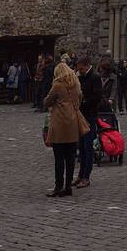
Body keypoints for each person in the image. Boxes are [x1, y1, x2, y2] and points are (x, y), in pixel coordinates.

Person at [43, 62, 82, 197]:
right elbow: (79, 99)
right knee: (70, 158)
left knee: (59, 158)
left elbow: (47, 101)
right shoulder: (76, 84)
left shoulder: (58, 85)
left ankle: (58, 186)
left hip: (59, 123)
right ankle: (68, 186)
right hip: (73, 122)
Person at [74, 54, 102, 188]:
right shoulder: (81, 76)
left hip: (90, 115)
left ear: (87, 66)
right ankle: (81, 174)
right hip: (81, 115)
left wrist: (84, 101)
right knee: (81, 147)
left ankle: (86, 176)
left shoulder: (95, 77)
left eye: (81, 69)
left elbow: (97, 97)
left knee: (88, 146)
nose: (80, 71)